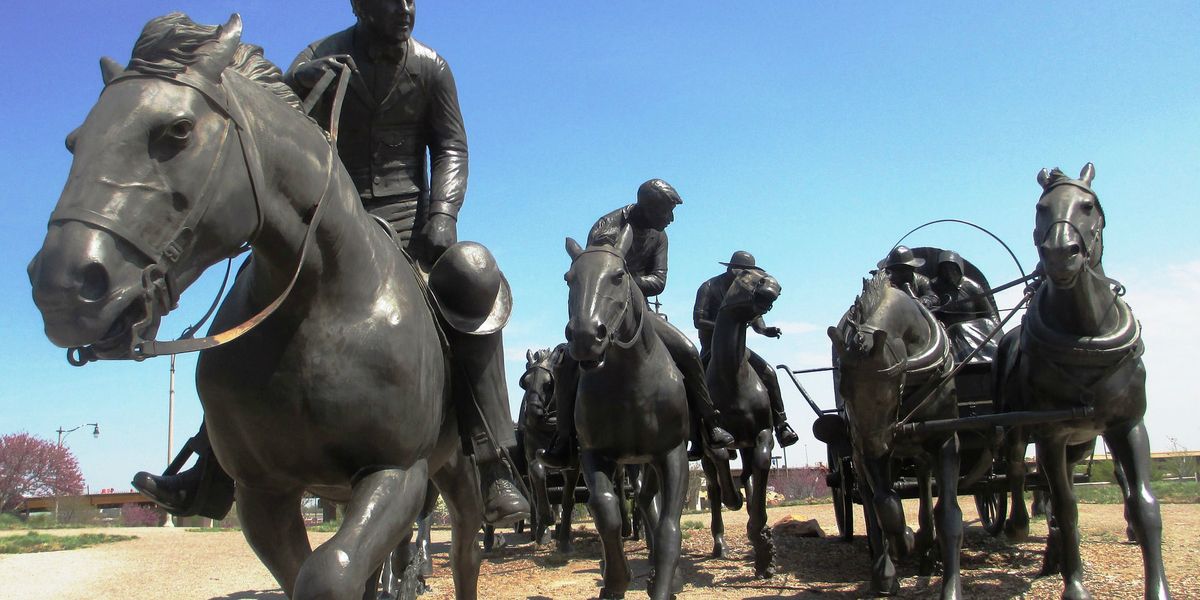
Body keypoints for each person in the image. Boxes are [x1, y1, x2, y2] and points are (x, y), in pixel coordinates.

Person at [133, 0, 531, 526]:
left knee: (477, 275)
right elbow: (279, 133)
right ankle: (212, 465)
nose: (407, 9)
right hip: (330, 221)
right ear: (363, 5)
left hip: (410, 225)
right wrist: (299, 86)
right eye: (393, 0)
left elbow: (451, 145)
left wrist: (442, 214)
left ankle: (494, 458)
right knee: (253, 298)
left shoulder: (431, 66)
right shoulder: (319, 55)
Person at [539, 179, 735, 468]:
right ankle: (565, 437)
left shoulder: (660, 236)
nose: (671, 219)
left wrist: (626, 282)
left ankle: (708, 423)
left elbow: (659, 280)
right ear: (649, 206)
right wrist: (615, 284)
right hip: (603, 312)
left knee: (689, 352)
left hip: (641, 313)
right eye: (667, 211)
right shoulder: (607, 227)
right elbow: (595, 271)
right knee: (568, 363)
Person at [693, 251, 799, 448]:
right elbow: (698, 320)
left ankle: (781, 424)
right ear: (731, 270)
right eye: (744, 272)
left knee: (769, 373)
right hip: (711, 347)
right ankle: (697, 438)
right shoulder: (709, 287)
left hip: (738, 347)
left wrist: (765, 330)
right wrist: (726, 326)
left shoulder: (746, 289)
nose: (747, 276)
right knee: (691, 384)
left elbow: (755, 315)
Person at [928, 250, 1002, 362]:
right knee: (956, 330)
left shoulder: (972, 287)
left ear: (959, 269)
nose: (949, 273)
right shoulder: (933, 286)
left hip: (975, 331)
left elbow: (990, 314)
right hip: (947, 335)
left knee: (964, 329)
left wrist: (999, 334)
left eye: (952, 269)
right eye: (945, 269)